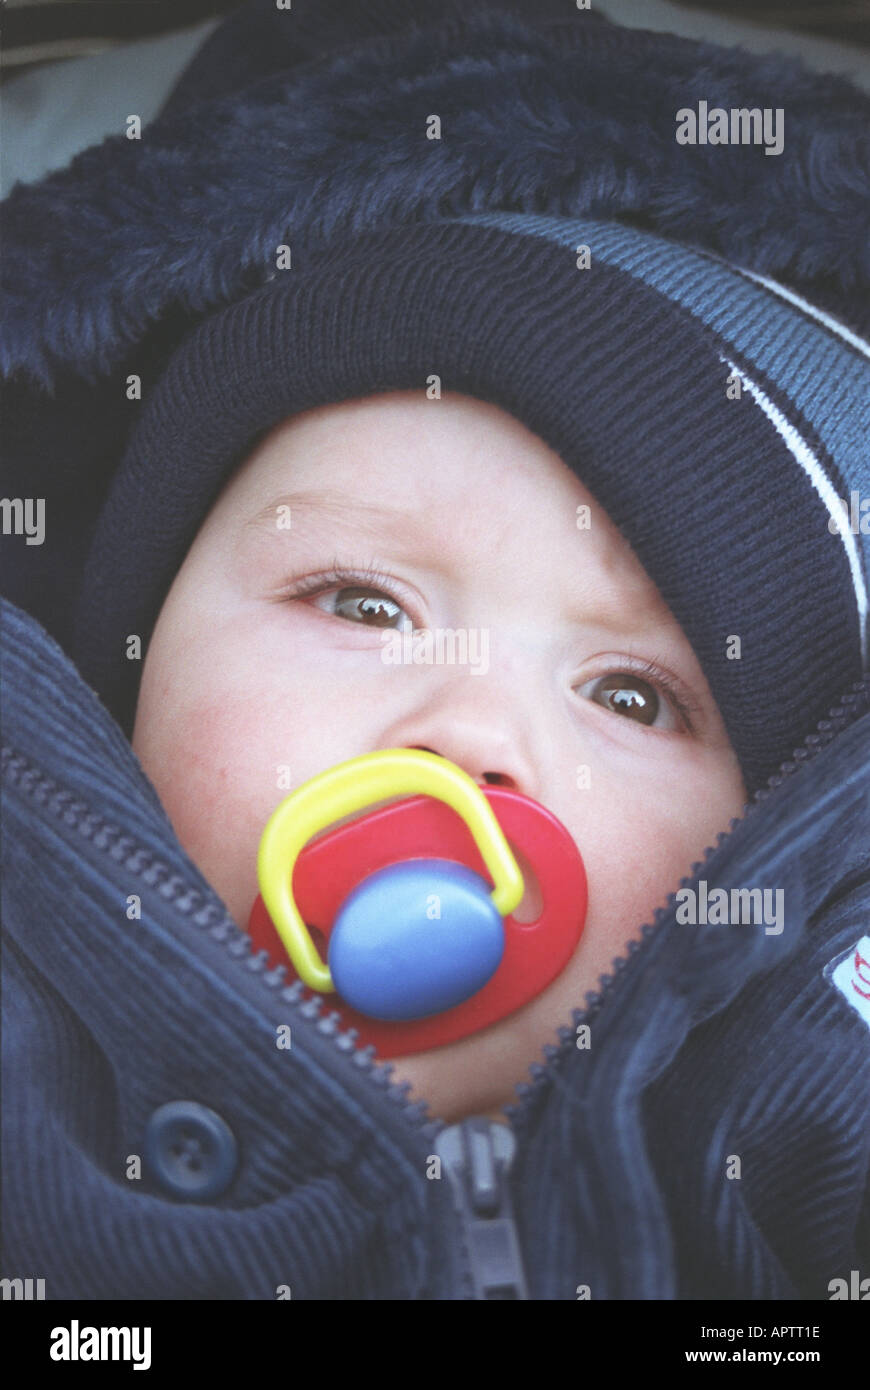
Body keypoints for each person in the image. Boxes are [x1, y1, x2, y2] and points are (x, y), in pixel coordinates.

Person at [2, 0, 868, 1300]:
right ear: (135, 650)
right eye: (358, 603)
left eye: (631, 694)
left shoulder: (810, 1124)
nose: (467, 729)